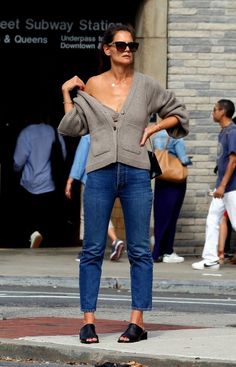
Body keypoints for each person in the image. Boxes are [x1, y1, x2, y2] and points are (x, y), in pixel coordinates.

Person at [58, 23, 189, 344]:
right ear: (107, 50)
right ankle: (88, 321)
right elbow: (74, 127)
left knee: (140, 250)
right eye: (121, 45)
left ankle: (137, 322)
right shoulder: (92, 85)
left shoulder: (147, 86)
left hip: (136, 173)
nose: (127, 49)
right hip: (100, 172)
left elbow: (179, 114)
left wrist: (155, 128)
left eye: (132, 45)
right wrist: (67, 94)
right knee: (91, 249)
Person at [65, 133, 125, 261]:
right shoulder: (114, 133)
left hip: (90, 180)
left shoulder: (89, 135)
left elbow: (80, 159)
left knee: (86, 215)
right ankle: (115, 242)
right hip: (109, 180)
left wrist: (70, 180)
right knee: (103, 214)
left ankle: (87, 249)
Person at [192, 99, 236, 270]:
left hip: (231, 188)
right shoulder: (224, 131)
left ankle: (211, 259)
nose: (212, 112)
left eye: (214, 109)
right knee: (212, 219)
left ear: (222, 112)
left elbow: (233, 161)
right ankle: (210, 259)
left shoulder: (232, 132)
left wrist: (223, 186)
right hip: (223, 188)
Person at [13, 111, 67, 248]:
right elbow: (63, 156)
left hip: (29, 184)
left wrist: (15, 170)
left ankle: (31, 237)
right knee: (46, 219)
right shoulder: (55, 132)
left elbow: (18, 161)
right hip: (49, 184)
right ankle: (43, 240)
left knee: (29, 217)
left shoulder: (26, 133)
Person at [151, 129, 192, 263]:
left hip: (161, 179)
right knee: (171, 216)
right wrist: (188, 161)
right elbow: (183, 159)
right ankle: (168, 251)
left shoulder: (157, 136)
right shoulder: (177, 137)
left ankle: (157, 252)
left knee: (160, 216)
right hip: (175, 182)